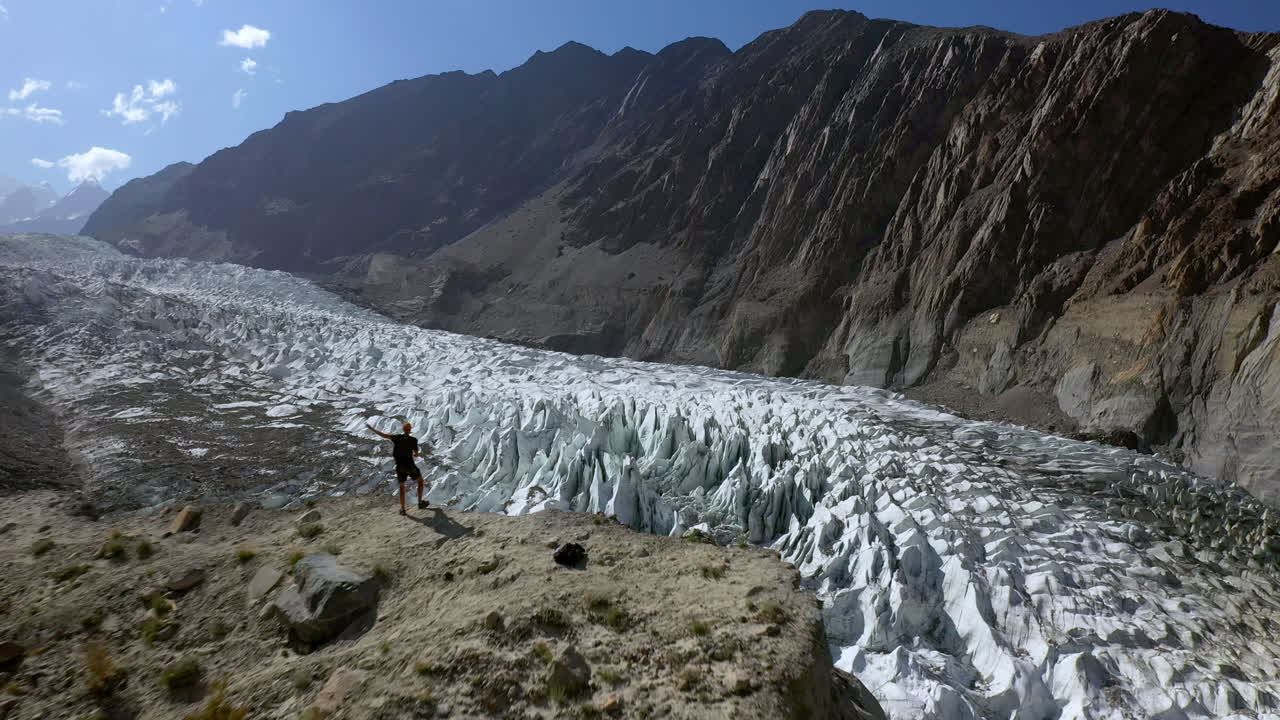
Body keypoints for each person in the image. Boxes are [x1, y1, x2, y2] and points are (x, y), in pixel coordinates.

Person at [367, 420, 432, 515]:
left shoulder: (397, 438)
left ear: (403, 430)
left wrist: (372, 429)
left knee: (402, 487)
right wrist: (415, 452)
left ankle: (402, 509)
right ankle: (420, 503)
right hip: (410, 465)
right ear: (410, 430)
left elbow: (383, 435)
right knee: (420, 481)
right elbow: (416, 454)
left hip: (400, 466)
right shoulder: (413, 440)